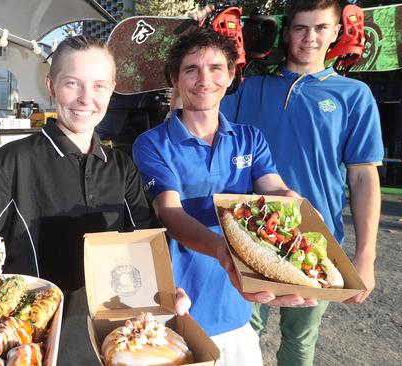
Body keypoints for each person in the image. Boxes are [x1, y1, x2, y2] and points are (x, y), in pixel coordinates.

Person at [0, 35, 191, 365]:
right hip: (34, 343)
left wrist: (168, 289)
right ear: (51, 85)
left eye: (98, 86)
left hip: (112, 342)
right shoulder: (13, 162)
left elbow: (149, 247)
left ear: (112, 90)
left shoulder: (122, 168)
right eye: (72, 84)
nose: (86, 98)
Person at [188, 1, 383, 365]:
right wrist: (203, 42)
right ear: (287, 31)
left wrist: (365, 256)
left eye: (321, 28)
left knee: (299, 343)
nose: (310, 38)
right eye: (300, 28)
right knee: (240, 334)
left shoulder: (353, 95)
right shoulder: (248, 89)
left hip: (316, 244)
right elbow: (195, 111)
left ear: (337, 32)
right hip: (249, 238)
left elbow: (362, 177)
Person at [132, 28, 317, 366]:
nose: (205, 79)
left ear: (232, 75)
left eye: (216, 68)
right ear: (174, 78)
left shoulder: (251, 138)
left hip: (236, 309)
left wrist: (293, 203)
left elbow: (272, 187)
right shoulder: (152, 143)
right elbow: (170, 213)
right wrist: (221, 250)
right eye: (191, 69)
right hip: (176, 310)